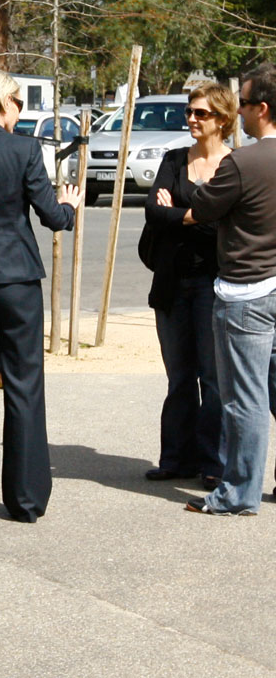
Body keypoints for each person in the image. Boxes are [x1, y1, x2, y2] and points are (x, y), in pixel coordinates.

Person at [0, 69, 80, 524]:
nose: (20, 112)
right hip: (17, 278)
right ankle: (25, 500)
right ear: (7, 102)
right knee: (24, 385)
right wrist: (70, 205)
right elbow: (51, 216)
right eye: (19, 104)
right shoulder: (25, 149)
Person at [187, 62, 276, 516]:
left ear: (261, 108)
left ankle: (238, 492)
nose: (238, 110)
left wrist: (198, 197)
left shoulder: (244, 162)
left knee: (245, 400)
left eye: (242, 102)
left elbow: (201, 205)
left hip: (248, 292)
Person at [142, 83, 235, 488]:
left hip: (215, 285)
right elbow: (151, 212)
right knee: (179, 376)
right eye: (190, 111)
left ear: (222, 119)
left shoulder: (235, 165)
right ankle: (176, 458)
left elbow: (223, 224)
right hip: (172, 285)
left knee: (213, 381)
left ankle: (213, 463)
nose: (191, 119)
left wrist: (178, 213)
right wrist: (194, 216)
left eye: (200, 113)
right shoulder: (174, 160)